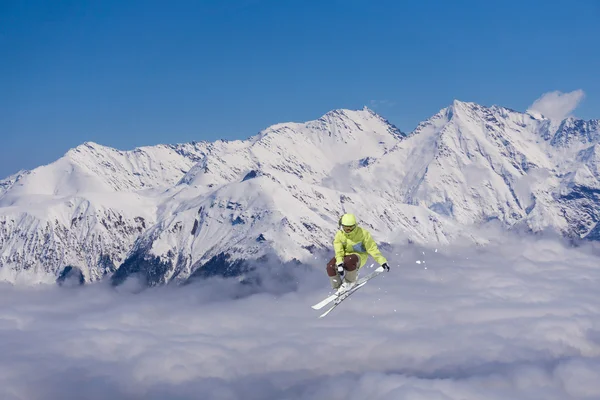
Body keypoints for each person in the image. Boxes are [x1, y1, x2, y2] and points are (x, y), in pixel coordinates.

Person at [327, 213, 390, 293]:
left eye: (351, 227)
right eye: (346, 228)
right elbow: (338, 251)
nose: (348, 230)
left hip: (359, 257)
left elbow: (372, 248)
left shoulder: (363, 234)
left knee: (349, 261)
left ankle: (350, 282)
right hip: (345, 256)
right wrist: (339, 263)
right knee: (330, 266)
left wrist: (382, 261)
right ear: (342, 226)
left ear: (355, 225)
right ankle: (338, 287)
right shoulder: (339, 235)